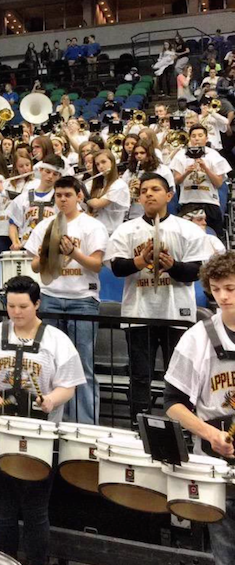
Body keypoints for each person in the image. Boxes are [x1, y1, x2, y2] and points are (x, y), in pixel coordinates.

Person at [0, 275, 85, 565]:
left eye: (23, 306)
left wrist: (51, 400)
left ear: (37, 304)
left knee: (35, 508)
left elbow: (69, 385)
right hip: (0, 429)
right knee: (3, 506)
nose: (16, 312)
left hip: (39, 435)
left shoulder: (57, 339)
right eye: (10, 306)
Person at [105, 172, 208, 426]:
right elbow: (117, 268)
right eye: (143, 191)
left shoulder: (188, 229)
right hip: (139, 313)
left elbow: (197, 271)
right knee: (140, 375)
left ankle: (183, 427)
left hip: (177, 314)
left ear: (169, 195)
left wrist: (171, 265)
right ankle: (138, 425)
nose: (148, 194)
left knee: (181, 377)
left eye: (155, 189)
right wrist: (142, 261)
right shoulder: (127, 230)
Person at [164, 252, 235, 565]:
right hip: (218, 460)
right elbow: (173, 405)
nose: (223, 296)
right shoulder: (197, 338)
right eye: (217, 289)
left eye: (231, 288)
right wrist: (209, 433)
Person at [26, 176, 108, 424]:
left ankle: (85, 425)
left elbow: (97, 264)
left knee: (82, 365)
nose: (62, 199)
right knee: (50, 363)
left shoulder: (92, 226)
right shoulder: (45, 226)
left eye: (67, 195)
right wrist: (49, 252)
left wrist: (73, 253)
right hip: (51, 296)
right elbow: (34, 265)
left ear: (79, 196)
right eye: (58, 195)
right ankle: (52, 421)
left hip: (82, 298)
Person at [170, 124, 230, 240]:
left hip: (210, 203)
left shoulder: (214, 155)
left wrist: (206, 168)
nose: (196, 138)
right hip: (188, 203)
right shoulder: (181, 155)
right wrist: (186, 172)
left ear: (206, 138)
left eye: (200, 135)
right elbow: (176, 181)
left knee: (213, 239)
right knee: (186, 238)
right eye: (193, 136)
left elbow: (218, 183)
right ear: (189, 138)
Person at [86, 149, 130, 235]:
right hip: (94, 231)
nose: (100, 167)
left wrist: (83, 194)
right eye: (97, 164)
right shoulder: (94, 183)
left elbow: (97, 204)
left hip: (111, 233)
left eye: (103, 162)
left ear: (112, 163)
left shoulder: (119, 185)